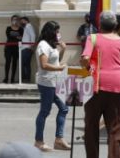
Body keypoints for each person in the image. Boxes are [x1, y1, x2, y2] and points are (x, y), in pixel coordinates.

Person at [80, 10, 120, 158]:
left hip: (95, 85)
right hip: (119, 85)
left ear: (100, 25)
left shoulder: (93, 38)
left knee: (91, 127)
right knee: (117, 129)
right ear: (116, 25)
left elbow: (85, 58)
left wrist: (88, 67)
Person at [34, 20, 71, 152]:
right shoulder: (43, 45)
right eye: (56, 31)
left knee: (64, 108)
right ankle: (39, 141)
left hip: (54, 82)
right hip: (46, 82)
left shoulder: (51, 45)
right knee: (45, 111)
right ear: (50, 32)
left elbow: (56, 60)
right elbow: (44, 65)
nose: (58, 33)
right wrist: (59, 68)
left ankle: (59, 139)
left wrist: (63, 49)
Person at [5, 15, 23, 84]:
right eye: (13, 19)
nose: (14, 21)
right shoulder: (8, 28)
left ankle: (12, 78)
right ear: (11, 20)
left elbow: (21, 38)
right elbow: (9, 36)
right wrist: (17, 37)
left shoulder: (21, 29)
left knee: (14, 63)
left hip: (16, 48)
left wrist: (16, 37)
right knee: (8, 62)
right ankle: (6, 77)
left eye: (16, 19)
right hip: (8, 47)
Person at [21, 16, 37, 85]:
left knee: (26, 64)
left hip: (27, 48)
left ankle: (26, 79)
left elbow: (33, 35)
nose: (21, 22)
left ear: (26, 20)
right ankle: (25, 78)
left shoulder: (28, 26)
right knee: (25, 64)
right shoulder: (26, 27)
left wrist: (31, 45)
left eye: (22, 21)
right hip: (25, 47)